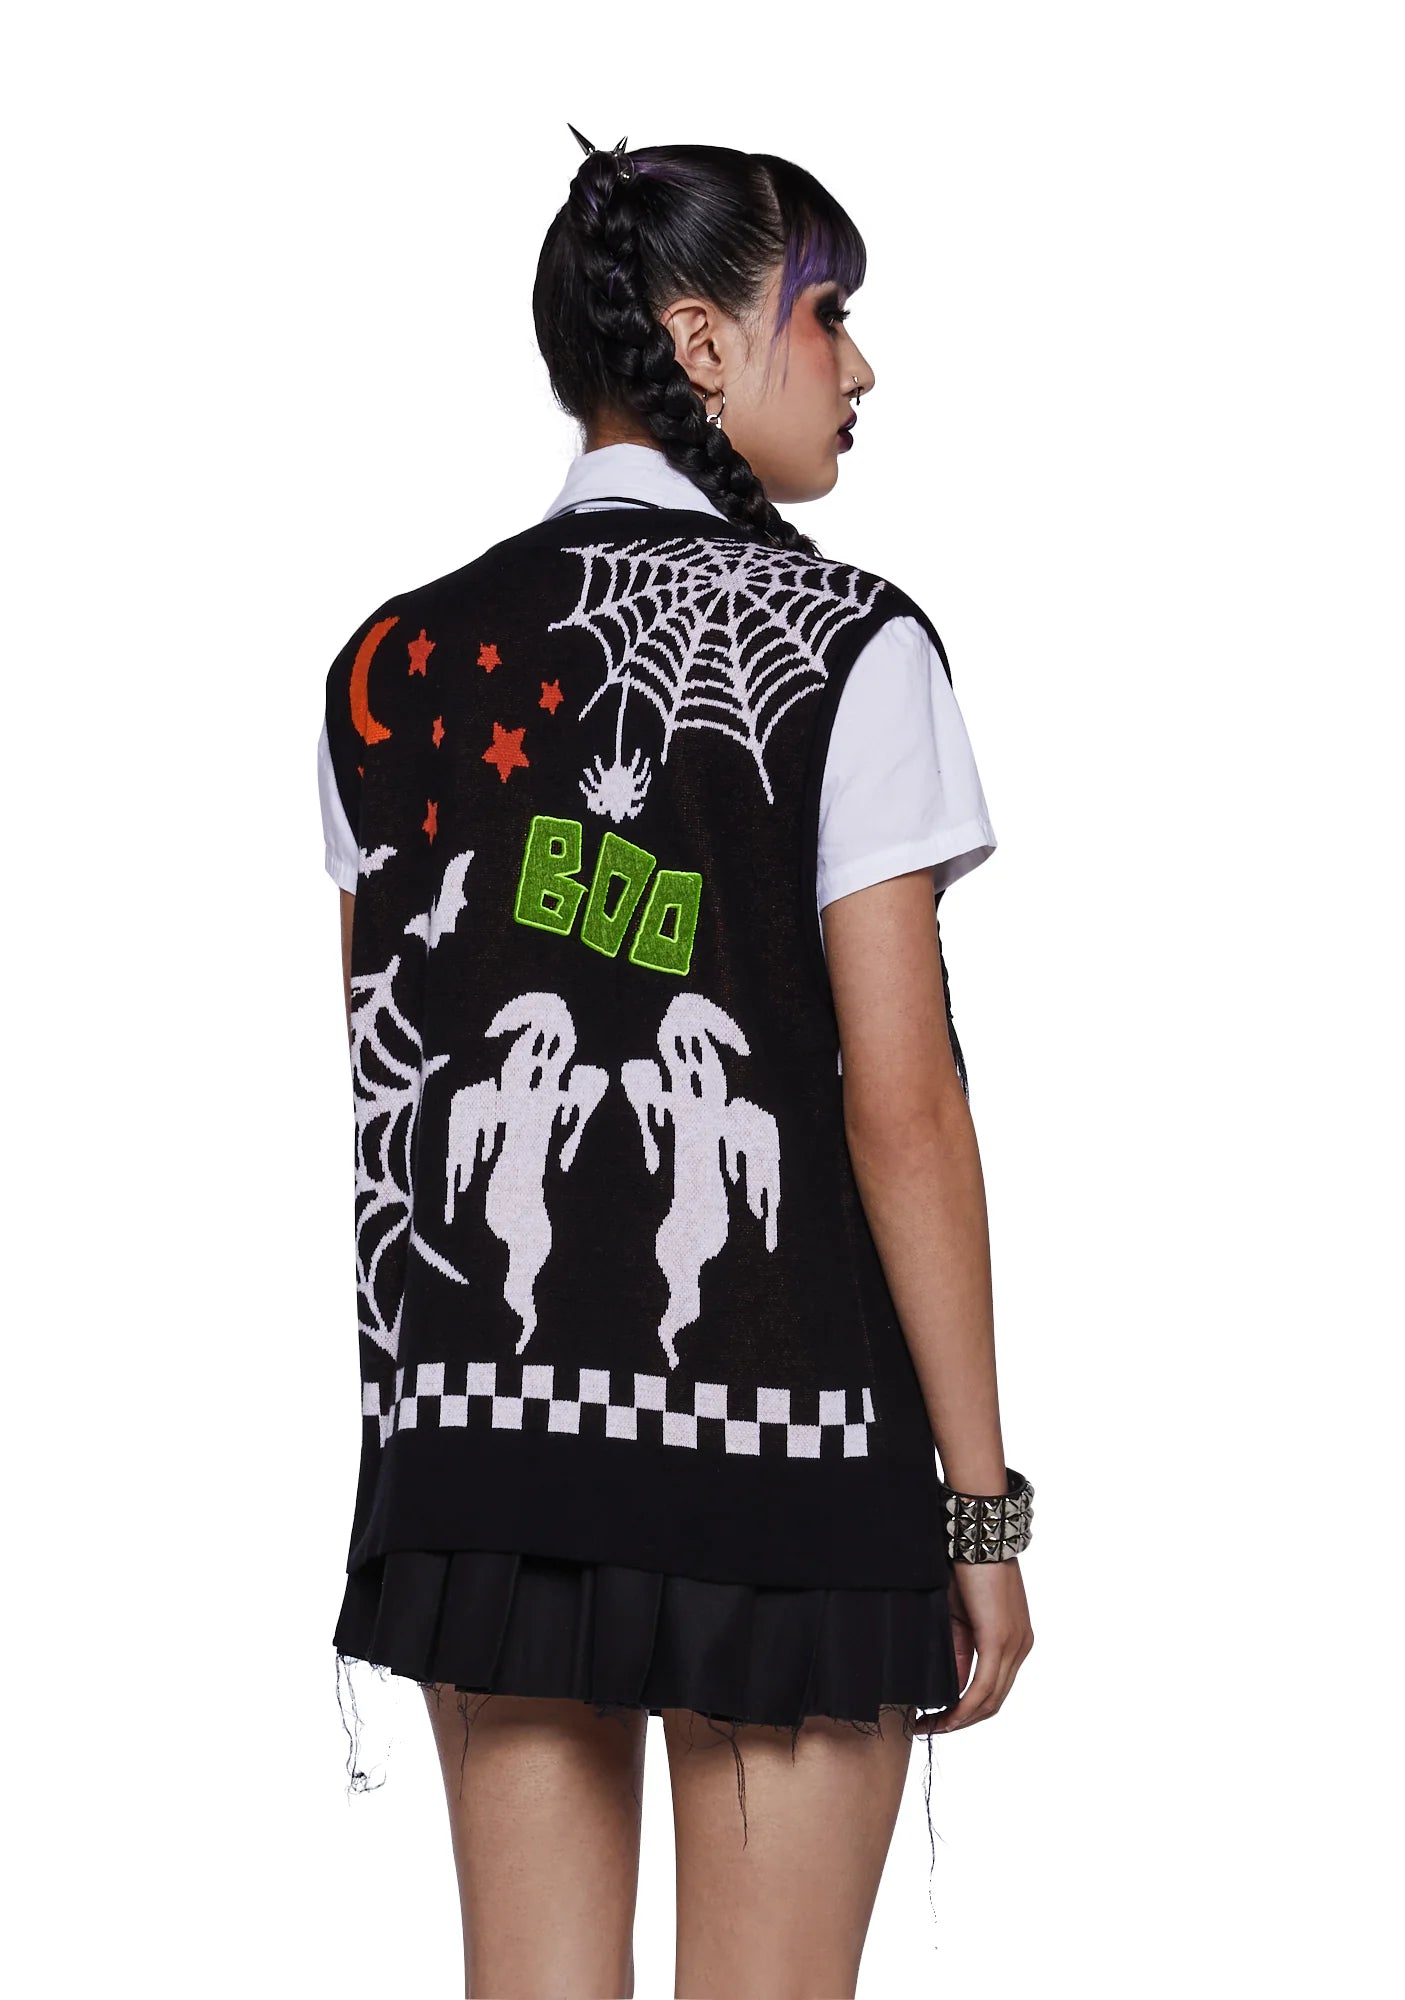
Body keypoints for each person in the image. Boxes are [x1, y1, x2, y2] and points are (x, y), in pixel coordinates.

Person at [316, 131, 1034, 1998]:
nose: (859, 366)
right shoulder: (854, 645)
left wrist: (427, 1453)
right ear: (703, 341)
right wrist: (977, 1507)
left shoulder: (392, 663)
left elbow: (393, 1099)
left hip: (487, 1454)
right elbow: (903, 1107)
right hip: (786, 1459)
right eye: (830, 315)